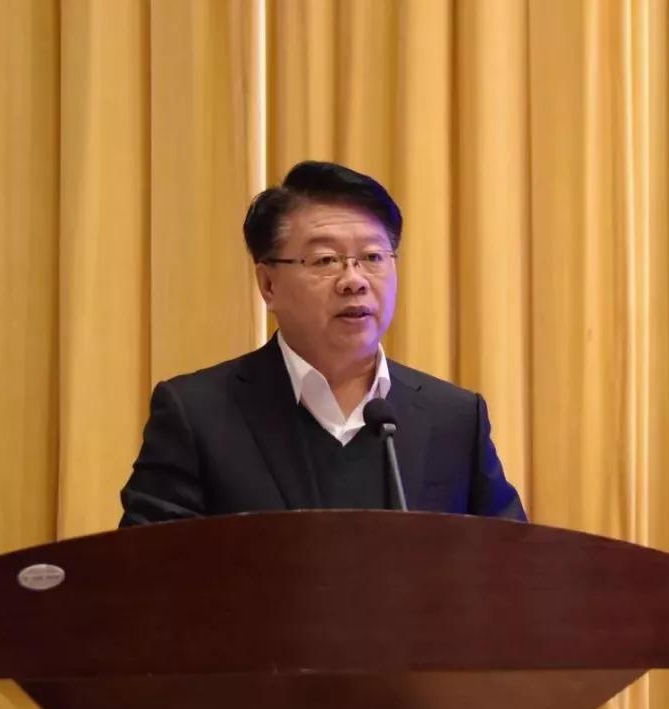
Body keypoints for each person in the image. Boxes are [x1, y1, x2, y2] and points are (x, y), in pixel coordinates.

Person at [119, 161, 525, 525]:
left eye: (373, 257)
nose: (354, 280)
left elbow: (513, 565)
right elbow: (147, 570)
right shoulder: (198, 415)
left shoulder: (454, 418)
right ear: (268, 284)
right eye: (326, 260)